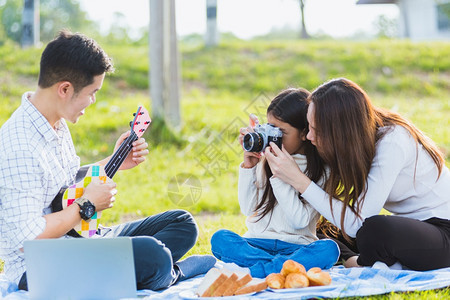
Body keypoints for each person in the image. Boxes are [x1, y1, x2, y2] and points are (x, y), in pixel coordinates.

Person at [0, 30, 215, 291]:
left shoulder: (54, 123)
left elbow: (64, 185)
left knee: (182, 223)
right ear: (65, 89)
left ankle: (145, 269)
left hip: (79, 239)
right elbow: (27, 237)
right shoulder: (20, 146)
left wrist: (113, 162)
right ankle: (172, 273)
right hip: (41, 266)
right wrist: (86, 206)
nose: (92, 101)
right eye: (92, 92)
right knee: (153, 254)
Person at [264, 78, 450, 271]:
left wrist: (299, 180)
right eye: (308, 127)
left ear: (339, 131)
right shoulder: (358, 141)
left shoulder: (392, 142)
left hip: (443, 231)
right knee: (320, 230)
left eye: (316, 130)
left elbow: (358, 224)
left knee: (373, 230)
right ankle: (380, 261)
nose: (309, 137)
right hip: (411, 229)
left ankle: (358, 262)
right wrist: (260, 146)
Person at [210, 88, 340, 278]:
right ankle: (282, 269)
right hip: (256, 242)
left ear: (305, 133)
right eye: (269, 128)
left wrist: (281, 174)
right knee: (220, 239)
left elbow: (300, 221)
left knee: (329, 249)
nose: (273, 137)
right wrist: (249, 167)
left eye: (280, 132)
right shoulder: (265, 161)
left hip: (297, 247)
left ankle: (257, 271)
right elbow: (249, 210)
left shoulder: (321, 170)